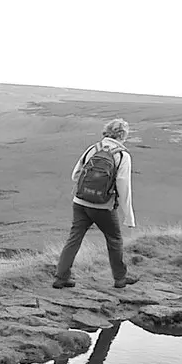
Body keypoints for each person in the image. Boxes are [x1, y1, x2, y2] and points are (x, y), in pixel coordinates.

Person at [53, 118, 138, 290]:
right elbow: (124, 187)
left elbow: (75, 175)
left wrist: (88, 188)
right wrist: (128, 216)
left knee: (74, 238)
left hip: (80, 202)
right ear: (122, 135)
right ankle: (120, 278)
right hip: (103, 206)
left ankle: (61, 277)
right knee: (114, 240)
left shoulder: (93, 149)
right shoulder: (122, 155)